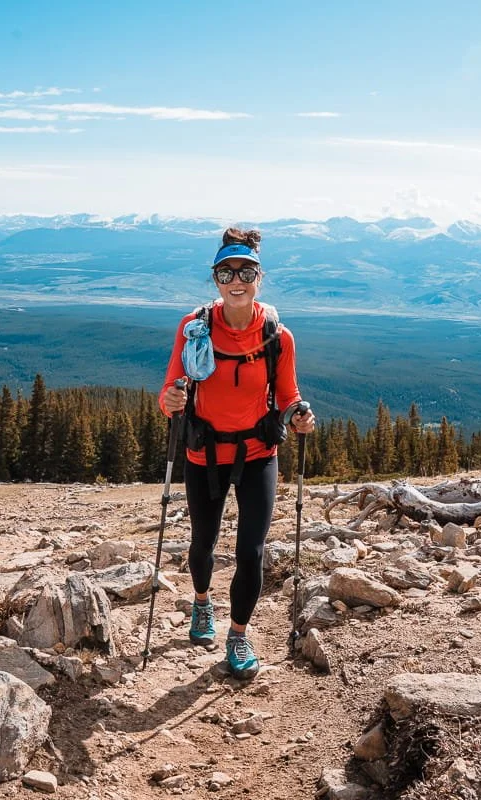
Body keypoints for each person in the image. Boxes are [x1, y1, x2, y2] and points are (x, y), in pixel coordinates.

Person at [159, 227, 315, 679]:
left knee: (251, 551)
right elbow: (171, 386)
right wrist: (170, 400)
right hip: (204, 453)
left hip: (258, 453)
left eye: (245, 271)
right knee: (202, 543)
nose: (236, 279)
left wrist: (297, 414)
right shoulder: (194, 329)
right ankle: (202, 603)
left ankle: (238, 635)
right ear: (215, 279)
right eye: (226, 272)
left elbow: (287, 393)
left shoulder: (277, 337)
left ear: (258, 277)